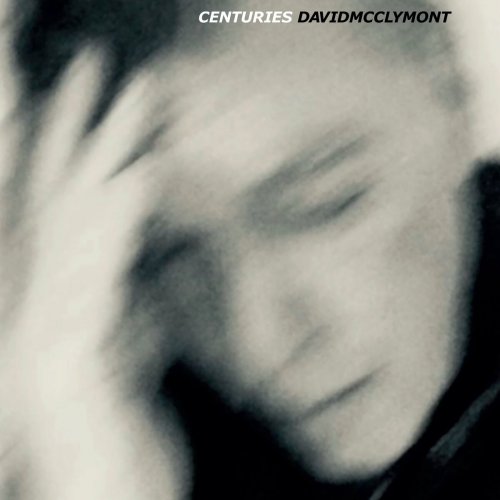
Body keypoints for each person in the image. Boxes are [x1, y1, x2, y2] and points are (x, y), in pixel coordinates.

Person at [0, 0, 499, 498]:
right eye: (166, 256)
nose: (255, 347)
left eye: (323, 202)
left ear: (449, 90)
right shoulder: (111, 403)